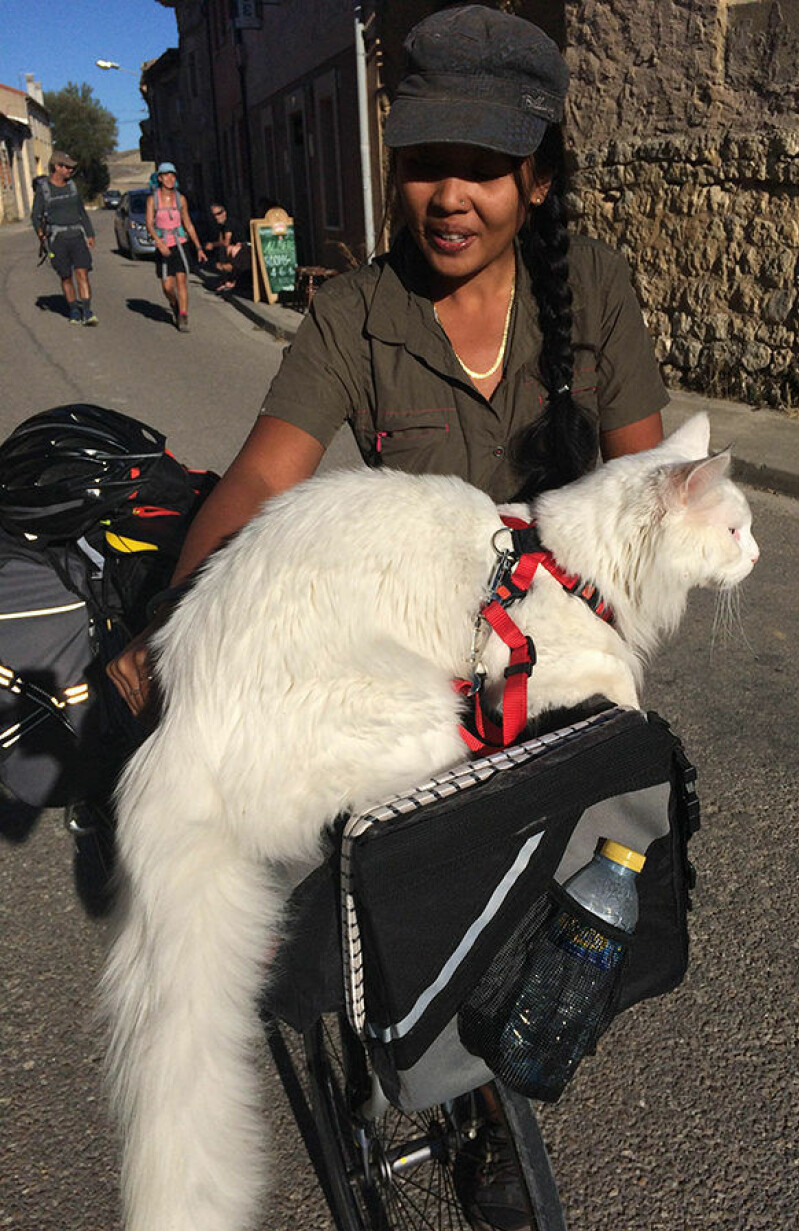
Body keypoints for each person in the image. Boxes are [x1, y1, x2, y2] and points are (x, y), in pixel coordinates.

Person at [110, 3, 667, 708]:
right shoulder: (351, 314)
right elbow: (260, 479)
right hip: (423, 669)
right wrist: (174, 624)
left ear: (538, 181)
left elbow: (643, 495)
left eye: (485, 171)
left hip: (571, 663)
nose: (449, 200)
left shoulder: (595, 285)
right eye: (426, 166)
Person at [31, 151, 98, 326]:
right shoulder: (44, 189)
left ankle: (87, 310)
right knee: (66, 276)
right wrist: (41, 234)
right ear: (56, 167)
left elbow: (81, 212)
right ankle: (74, 310)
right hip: (57, 239)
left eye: (71, 167)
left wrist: (90, 233)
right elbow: (35, 215)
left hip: (76, 236)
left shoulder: (72, 187)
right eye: (67, 167)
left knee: (82, 273)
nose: (70, 170)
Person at [145, 162, 207, 332]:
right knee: (167, 286)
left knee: (182, 282)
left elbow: (188, 224)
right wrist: (159, 243)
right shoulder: (153, 199)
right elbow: (149, 224)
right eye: (166, 175)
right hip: (163, 245)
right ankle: (174, 304)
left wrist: (199, 247)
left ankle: (183, 315)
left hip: (181, 244)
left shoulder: (180, 199)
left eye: (173, 175)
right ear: (160, 178)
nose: (170, 179)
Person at [203, 201, 242, 283]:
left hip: (240, 249)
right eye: (214, 215)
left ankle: (233, 280)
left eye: (219, 213)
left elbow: (226, 242)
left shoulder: (229, 223)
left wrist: (212, 245)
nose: (217, 217)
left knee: (226, 251)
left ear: (224, 212)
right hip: (233, 250)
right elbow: (220, 241)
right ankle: (228, 279)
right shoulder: (221, 225)